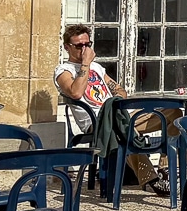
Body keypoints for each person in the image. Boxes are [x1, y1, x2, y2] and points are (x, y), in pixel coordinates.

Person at [54, 25, 169, 196]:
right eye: (79, 46)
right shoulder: (64, 71)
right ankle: (150, 178)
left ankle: (164, 167)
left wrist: (116, 101)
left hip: (117, 115)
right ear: (67, 47)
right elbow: (76, 93)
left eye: (87, 44)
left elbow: (121, 91)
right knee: (121, 131)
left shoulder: (98, 68)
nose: (84, 49)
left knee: (173, 114)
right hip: (97, 123)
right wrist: (85, 63)